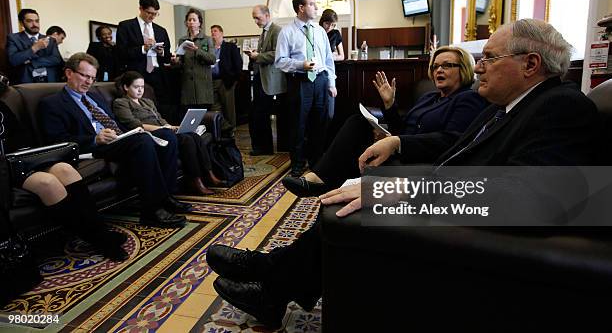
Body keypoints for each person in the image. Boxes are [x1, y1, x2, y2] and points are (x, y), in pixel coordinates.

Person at [207, 19, 603, 329]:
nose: (479, 67)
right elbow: (453, 149)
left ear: (530, 64)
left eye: (488, 58)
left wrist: (406, 191)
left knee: (359, 203)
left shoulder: (561, 107)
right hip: (451, 202)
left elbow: (531, 198)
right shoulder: (510, 106)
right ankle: (275, 281)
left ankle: (271, 279)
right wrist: (400, 147)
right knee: (352, 193)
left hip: (475, 232)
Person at [283, 45, 488, 196]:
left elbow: (452, 139)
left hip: (421, 159)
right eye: (435, 66)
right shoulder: (429, 98)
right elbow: (402, 128)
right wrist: (390, 105)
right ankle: (320, 179)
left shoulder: (467, 98)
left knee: (353, 141)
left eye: (447, 65)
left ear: (463, 69)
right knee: (358, 122)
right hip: (401, 148)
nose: (438, 71)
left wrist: (397, 143)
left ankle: (321, 180)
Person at [38, 53, 190, 228]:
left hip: (119, 138)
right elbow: (58, 140)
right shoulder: (52, 103)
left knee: (168, 135)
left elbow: (115, 123)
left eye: (92, 78)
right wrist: (94, 139)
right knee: (142, 141)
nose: (88, 82)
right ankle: (151, 210)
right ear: (69, 73)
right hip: (95, 146)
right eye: (84, 76)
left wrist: (132, 131)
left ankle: (166, 196)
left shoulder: (95, 96)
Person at [0, 77, 127, 261]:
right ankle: (98, 239)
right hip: (5, 172)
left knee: (65, 169)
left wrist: (28, 155)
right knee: (47, 182)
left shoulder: (3, 108)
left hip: (18, 160)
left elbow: (21, 139)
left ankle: (99, 230)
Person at [113, 71, 226, 196]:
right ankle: (195, 180)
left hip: (165, 130)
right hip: (150, 135)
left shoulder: (147, 102)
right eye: (136, 87)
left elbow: (160, 119)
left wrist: (174, 127)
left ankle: (209, 174)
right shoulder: (121, 103)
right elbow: (134, 124)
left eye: (142, 87)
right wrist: (164, 129)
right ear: (126, 87)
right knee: (186, 140)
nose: (140, 90)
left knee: (194, 135)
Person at [275, 0, 337, 177]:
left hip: (320, 81)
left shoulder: (319, 31)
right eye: (312, 4)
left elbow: (328, 60)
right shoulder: (287, 32)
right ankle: (298, 163)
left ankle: (316, 161)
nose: (316, 7)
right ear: (301, 8)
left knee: (320, 124)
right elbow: (280, 61)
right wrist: (300, 65)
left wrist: (331, 83)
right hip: (300, 82)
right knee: (298, 126)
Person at [116, 0, 174, 120]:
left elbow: (168, 56)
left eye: (155, 14)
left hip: (158, 74)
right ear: (141, 8)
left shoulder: (161, 31)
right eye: (149, 13)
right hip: (137, 74)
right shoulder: (126, 26)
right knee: (140, 110)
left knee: (163, 108)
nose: (152, 17)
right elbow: (121, 53)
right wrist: (143, 48)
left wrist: (161, 53)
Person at [246, 5, 288, 155]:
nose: (256, 21)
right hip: (261, 78)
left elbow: (279, 53)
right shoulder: (264, 32)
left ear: (267, 15)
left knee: (262, 114)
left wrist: (258, 56)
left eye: (258, 17)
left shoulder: (277, 30)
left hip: (271, 81)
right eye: (254, 18)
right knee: (258, 115)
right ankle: (263, 147)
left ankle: (265, 148)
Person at [175, 8, 216, 116]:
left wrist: (197, 50)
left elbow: (212, 59)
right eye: (189, 20)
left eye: (194, 20)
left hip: (203, 88)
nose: (191, 22)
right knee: (189, 120)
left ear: (200, 23)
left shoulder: (207, 39)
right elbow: (181, 62)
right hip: (187, 88)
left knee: (204, 121)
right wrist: (176, 61)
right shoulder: (182, 40)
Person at [6, 8, 64, 83]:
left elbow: (56, 60)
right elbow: (13, 60)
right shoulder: (13, 38)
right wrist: (35, 48)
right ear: (21, 23)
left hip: (49, 82)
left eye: (37, 21)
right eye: (30, 21)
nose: (35, 24)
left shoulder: (50, 40)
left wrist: (31, 62)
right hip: (26, 83)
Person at [210, 24, 243, 137]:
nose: (213, 34)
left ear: (221, 33)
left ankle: (231, 129)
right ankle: (222, 127)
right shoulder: (210, 48)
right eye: (212, 32)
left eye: (215, 31)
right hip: (212, 81)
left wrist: (234, 79)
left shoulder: (230, 46)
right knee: (215, 107)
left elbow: (238, 63)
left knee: (228, 107)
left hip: (226, 80)